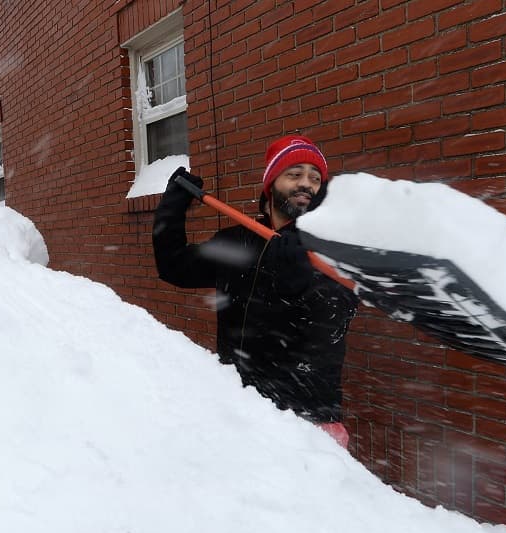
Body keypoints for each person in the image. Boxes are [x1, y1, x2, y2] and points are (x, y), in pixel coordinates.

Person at [152, 135, 359, 447]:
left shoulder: (330, 249)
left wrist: (299, 277)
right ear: (271, 184)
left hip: (306, 423)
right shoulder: (237, 242)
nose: (306, 183)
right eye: (294, 174)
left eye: (315, 178)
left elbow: (335, 320)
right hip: (238, 410)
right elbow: (174, 267)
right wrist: (172, 206)